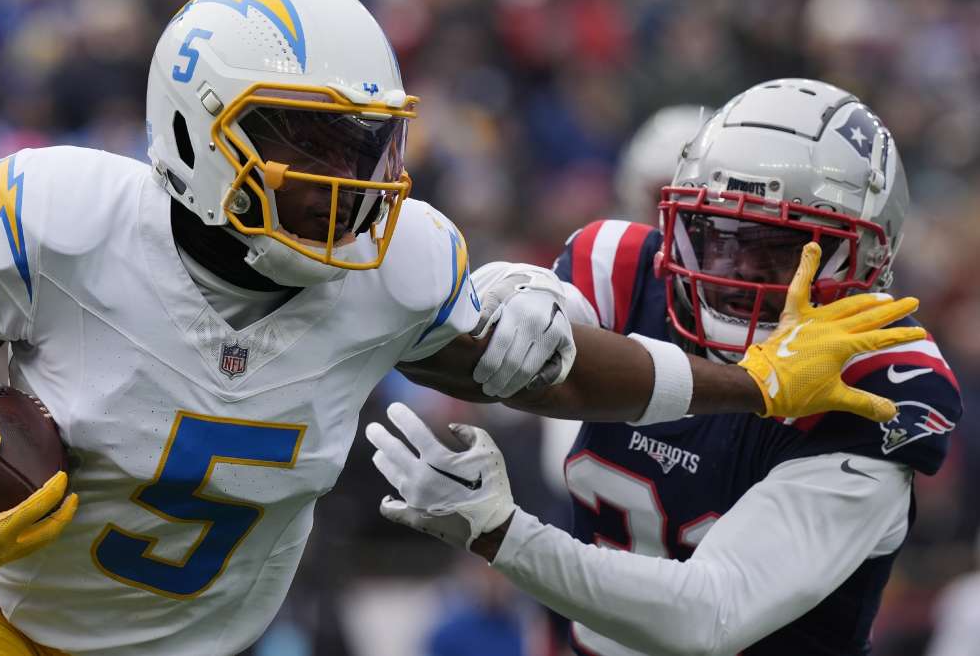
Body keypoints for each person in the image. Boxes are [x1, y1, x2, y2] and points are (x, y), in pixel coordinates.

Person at [0, 0, 917, 654]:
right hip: (8, 632)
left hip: (227, 646)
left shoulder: (396, 271)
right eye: (307, 141)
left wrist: (758, 384)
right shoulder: (62, 225)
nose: (352, 175)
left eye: (364, 141)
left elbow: (566, 374)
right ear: (192, 131)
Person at [370, 78, 962, 656]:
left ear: (869, 256)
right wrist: (519, 289)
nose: (740, 273)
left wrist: (503, 533)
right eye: (720, 236)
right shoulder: (624, 269)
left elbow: (710, 615)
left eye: (784, 250)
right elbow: (509, 342)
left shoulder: (882, 385)